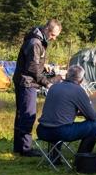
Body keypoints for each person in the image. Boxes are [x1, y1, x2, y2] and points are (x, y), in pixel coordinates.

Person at [12, 19, 61, 157]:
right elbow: (32, 68)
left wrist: (44, 66)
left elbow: (34, 62)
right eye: (53, 35)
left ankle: (18, 147)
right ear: (46, 29)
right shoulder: (35, 42)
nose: (54, 38)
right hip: (27, 82)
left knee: (21, 113)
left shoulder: (38, 38)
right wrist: (47, 83)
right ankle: (26, 149)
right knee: (28, 114)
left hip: (24, 80)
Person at [36, 65, 96, 155]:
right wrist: (84, 112)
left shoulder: (54, 87)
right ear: (81, 80)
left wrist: (76, 112)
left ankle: (54, 158)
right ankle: (82, 158)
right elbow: (92, 116)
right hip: (61, 132)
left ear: (67, 76)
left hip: (42, 130)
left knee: (57, 122)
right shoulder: (78, 90)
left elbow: (59, 110)